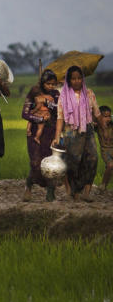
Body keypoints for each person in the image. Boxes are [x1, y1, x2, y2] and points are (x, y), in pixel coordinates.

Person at [53, 65, 101, 201]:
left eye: (79, 78)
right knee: (74, 162)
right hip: (70, 131)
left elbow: (97, 114)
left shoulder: (89, 93)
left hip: (88, 130)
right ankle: (75, 191)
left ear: (83, 79)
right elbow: (60, 118)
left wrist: (103, 122)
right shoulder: (63, 96)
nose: (77, 81)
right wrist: (57, 136)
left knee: (92, 158)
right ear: (69, 80)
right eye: (73, 79)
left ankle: (87, 190)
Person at [22, 70, 60, 202]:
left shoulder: (56, 94)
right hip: (34, 132)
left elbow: (58, 110)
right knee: (35, 162)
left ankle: (50, 191)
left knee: (49, 163)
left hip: (51, 132)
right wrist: (39, 120)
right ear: (42, 83)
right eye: (48, 84)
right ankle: (28, 185)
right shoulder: (34, 92)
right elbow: (25, 114)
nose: (51, 86)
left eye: (53, 84)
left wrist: (47, 102)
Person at [97, 106, 112, 193]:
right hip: (105, 150)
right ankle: (103, 185)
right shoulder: (98, 126)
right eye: (105, 116)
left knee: (110, 168)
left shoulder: (111, 125)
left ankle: (104, 186)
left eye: (109, 116)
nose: (108, 119)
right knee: (110, 165)